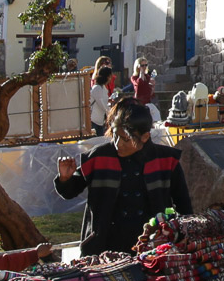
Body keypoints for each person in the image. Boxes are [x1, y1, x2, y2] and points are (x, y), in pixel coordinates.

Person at [54, 100, 191, 257]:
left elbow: (183, 204)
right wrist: (65, 178)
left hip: (154, 246)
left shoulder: (166, 160)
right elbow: (70, 191)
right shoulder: (98, 157)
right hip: (103, 246)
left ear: (145, 136)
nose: (118, 144)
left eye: (125, 139)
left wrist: (183, 236)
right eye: (115, 135)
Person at [89, 59, 115, 136]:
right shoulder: (97, 88)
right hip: (93, 121)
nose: (111, 78)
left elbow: (104, 101)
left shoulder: (103, 88)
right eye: (110, 76)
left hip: (100, 121)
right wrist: (111, 113)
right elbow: (102, 104)